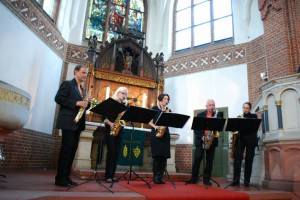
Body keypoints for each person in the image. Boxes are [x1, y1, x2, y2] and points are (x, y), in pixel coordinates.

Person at [54, 64, 91, 187]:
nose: (85, 75)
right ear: (76, 72)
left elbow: (83, 107)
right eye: (83, 73)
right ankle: (60, 178)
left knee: (72, 150)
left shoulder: (83, 89)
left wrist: (88, 103)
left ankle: (67, 177)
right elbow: (58, 98)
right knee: (66, 149)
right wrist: (77, 102)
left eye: (86, 73)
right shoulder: (67, 84)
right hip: (68, 122)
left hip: (77, 123)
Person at [186, 99, 220, 185]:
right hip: (201, 140)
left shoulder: (217, 115)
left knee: (209, 161)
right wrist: (202, 136)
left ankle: (206, 179)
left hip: (211, 140)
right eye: (210, 105)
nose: (211, 107)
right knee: (197, 159)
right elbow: (196, 129)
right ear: (206, 106)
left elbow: (219, 128)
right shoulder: (200, 115)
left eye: (213, 105)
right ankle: (194, 178)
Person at [103, 87, 128, 183]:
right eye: (123, 93)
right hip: (110, 129)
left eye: (126, 94)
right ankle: (108, 176)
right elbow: (103, 116)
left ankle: (112, 175)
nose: (124, 96)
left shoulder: (124, 105)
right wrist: (110, 123)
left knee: (116, 153)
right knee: (111, 152)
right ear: (118, 93)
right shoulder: (111, 102)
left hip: (119, 130)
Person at [232, 102, 258, 187]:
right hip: (241, 140)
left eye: (247, 108)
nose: (245, 109)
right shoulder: (239, 117)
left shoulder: (254, 116)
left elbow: (254, 128)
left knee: (249, 160)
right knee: (237, 160)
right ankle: (236, 180)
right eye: (244, 108)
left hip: (250, 140)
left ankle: (247, 181)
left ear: (250, 109)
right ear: (242, 108)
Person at [148, 93, 171, 184]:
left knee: (164, 156)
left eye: (167, 99)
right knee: (157, 156)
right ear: (160, 99)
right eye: (165, 98)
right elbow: (148, 120)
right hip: (156, 134)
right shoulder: (154, 108)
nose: (166, 100)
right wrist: (155, 126)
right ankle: (155, 176)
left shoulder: (168, 110)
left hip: (165, 134)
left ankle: (161, 176)